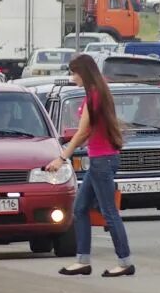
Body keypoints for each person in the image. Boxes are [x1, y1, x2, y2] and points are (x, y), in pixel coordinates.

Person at [47, 55, 134, 278]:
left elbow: (84, 131)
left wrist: (62, 158)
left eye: (74, 72)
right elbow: (92, 133)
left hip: (102, 161)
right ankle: (82, 261)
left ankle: (124, 262)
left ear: (83, 73)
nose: (72, 77)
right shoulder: (99, 93)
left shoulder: (94, 96)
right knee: (80, 208)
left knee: (109, 212)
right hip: (102, 159)